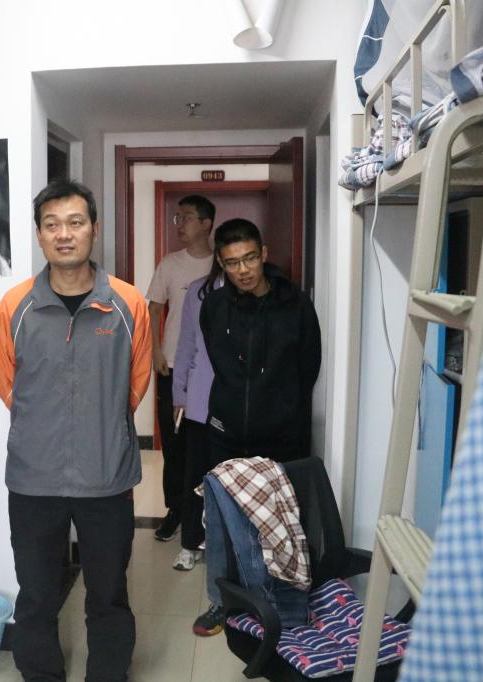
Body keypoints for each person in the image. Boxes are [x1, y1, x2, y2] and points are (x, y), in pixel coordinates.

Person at [0, 179, 151, 682]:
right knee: (37, 596)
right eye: (52, 224)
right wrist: (45, 429)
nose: (64, 234)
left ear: (94, 230)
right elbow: (7, 384)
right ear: (40, 235)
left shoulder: (128, 303)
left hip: (106, 477)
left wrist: (101, 428)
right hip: (33, 479)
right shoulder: (14, 306)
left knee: (108, 595)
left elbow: (136, 383)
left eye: (75, 223)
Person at [193, 217, 321, 636]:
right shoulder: (214, 306)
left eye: (249, 258)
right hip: (225, 432)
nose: (243, 270)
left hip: (282, 435)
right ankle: (222, 601)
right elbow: (219, 361)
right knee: (221, 521)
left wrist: (281, 407)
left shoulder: (296, 305)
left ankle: (280, 603)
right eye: (232, 263)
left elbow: (308, 367)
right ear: (221, 263)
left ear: (264, 254)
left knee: (281, 522)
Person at [145, 196, 215, 556]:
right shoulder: (170, 264)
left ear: (206, 224)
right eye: (177, 217)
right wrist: (156, 351)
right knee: (174, 446)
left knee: (207, 445)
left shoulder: (221, 263)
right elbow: (153, 309)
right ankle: (175, 509)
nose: (179, 224)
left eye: (186, 217)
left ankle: (206, 514)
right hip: (172, 367)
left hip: (212, 372)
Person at [170, 255, 223, 573]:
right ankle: (190, 544)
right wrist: (180, 393)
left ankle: (225, 547)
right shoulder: (199, 291)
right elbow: (186, 344)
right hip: (201, 399)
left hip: (238, 406)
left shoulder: (254, 290)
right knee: (195, 476)